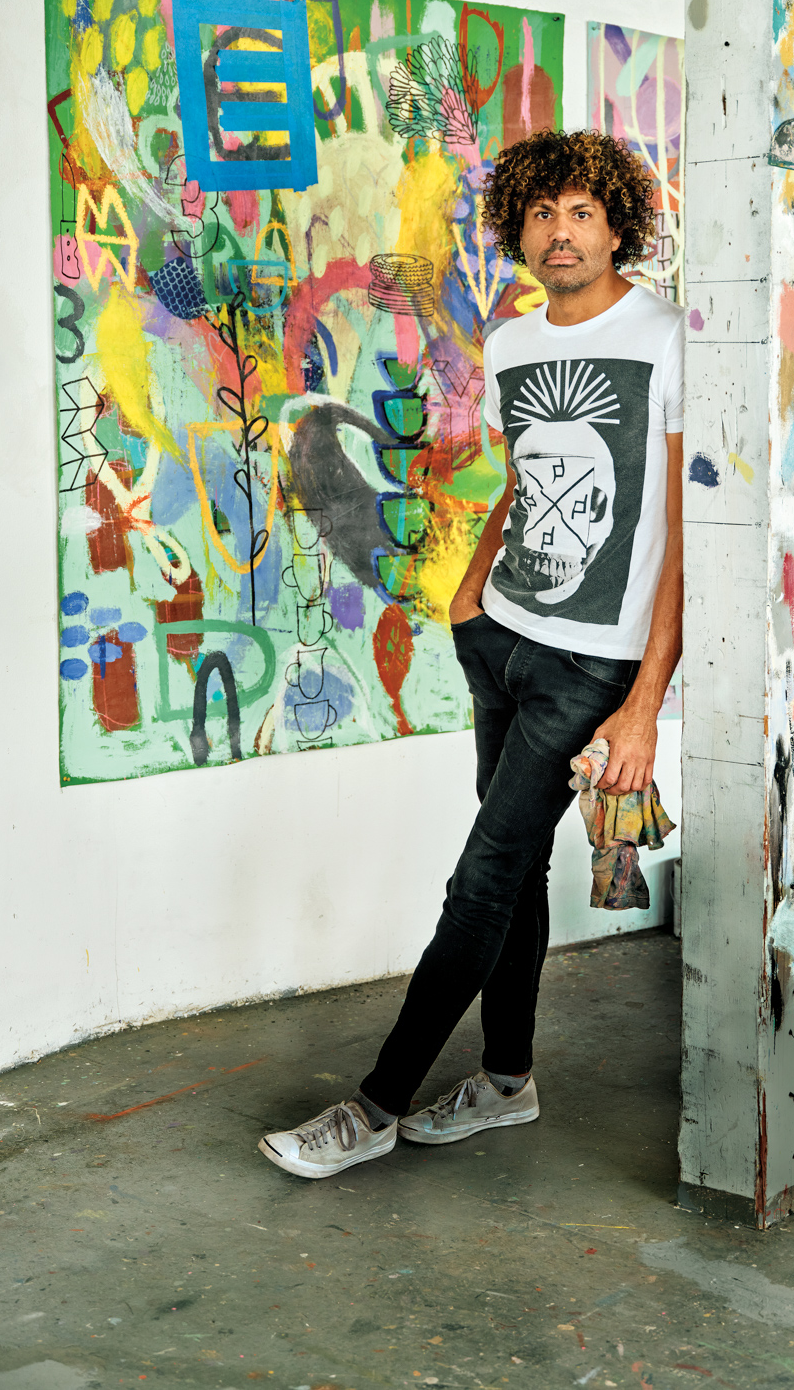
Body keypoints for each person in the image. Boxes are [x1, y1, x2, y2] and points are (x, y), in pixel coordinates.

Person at [259, 130, 684, 1179]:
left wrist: (642, 703)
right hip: (500, 635)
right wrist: (469, 592)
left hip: (591, 665)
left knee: (481, 881)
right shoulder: (512, 347)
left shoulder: (672, 338)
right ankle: (504, 1079)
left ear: (618, 222)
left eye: (583, 211)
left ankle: (374, 1106)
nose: (562, 231)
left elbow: (687, 525)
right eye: (543, 214)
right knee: (518, 870)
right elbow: (524, 478)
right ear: (520, 232)